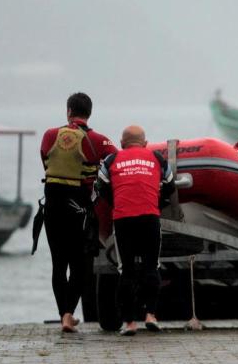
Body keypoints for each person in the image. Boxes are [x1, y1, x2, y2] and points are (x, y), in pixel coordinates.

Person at [40, 93, 117, 333]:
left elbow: (45, 160)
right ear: (89, 113)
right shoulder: (99, 140)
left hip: (52, 208)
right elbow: (116, 162)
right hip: (80, 211)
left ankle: (64, 314)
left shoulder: (50, 135)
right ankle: (68, 315)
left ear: (68, 111)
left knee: (58, 264)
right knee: (81, 266)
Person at [95, 125, 175, 336]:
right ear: (145, 143)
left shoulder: (112, 160)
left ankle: (129, 323)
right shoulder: (157, 158)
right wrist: (158, 202)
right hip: (150, 216)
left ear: (122, 144)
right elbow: (170, 184)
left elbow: (100, 186)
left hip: (123, 219)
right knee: (151, 267)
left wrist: (116, 202)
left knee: (127, 270)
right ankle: (151, 315)